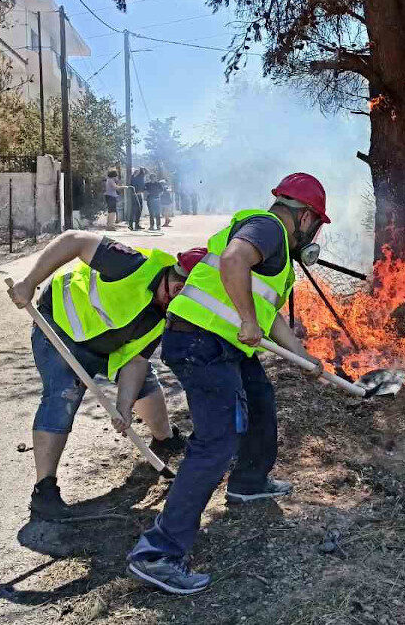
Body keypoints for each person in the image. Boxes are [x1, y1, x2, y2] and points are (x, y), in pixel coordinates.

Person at [124, 172, 331, 595]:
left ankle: (249, 481)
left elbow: (271, 318)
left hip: (220, 345)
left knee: (260, 399)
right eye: (316, 224)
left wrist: (306, 358)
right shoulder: (268, 227)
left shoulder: (277, 253)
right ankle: (157, 554)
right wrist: (249, 322)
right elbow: (235, 261)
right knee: (217, 441)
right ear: (306, 217)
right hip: (201, 342)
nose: (313, 232)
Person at [6, 231, 199, 519]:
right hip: (60, 328)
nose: (173, 303)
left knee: (145, 382)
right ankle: (44, 491)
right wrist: (29, 282)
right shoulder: (131, 264)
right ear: (173, 274)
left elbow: (134, 361)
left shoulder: (165, 312)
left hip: (110, 344)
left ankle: (164, 439)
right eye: (176, 291)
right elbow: (74, 240)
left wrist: (123, 407)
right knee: (63, 394)